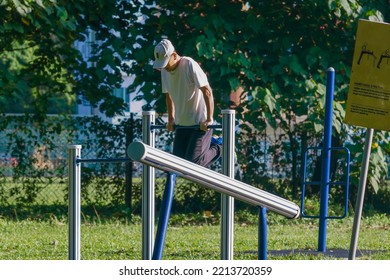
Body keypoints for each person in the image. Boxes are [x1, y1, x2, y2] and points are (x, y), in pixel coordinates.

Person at [153, 38, 221, 167]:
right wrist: (171, 119)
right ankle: (211, 143)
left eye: (166, 63)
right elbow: (168, 95)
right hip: (181, 123)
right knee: (178, 165)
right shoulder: (164, 71)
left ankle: (220, 146)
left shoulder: (189, 64)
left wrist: (209, 119)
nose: (165, 67)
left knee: (195, 163)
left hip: (199, 123)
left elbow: (207, 91)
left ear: (174, 55)